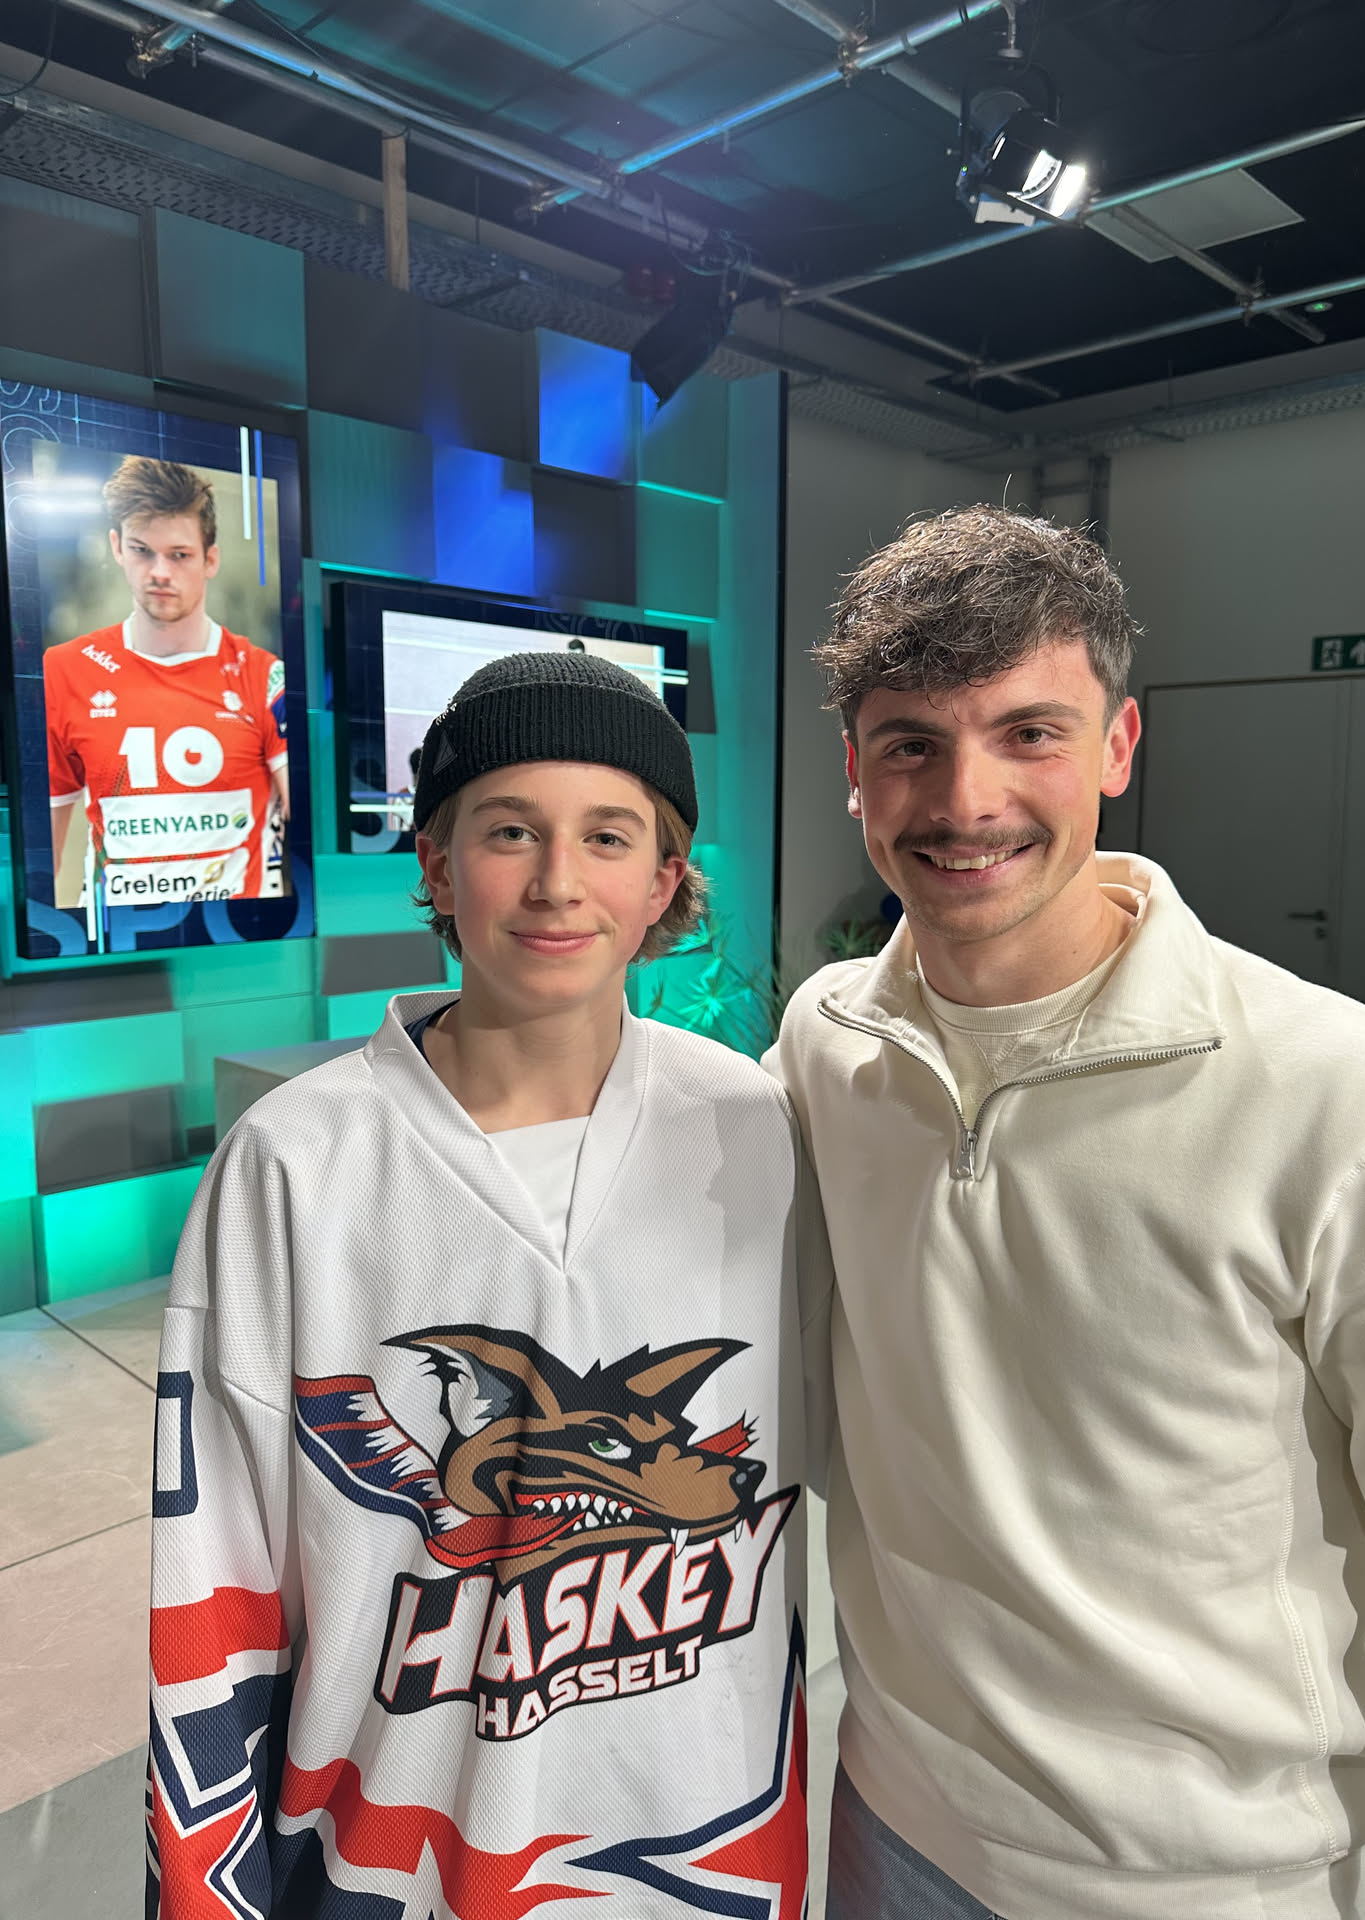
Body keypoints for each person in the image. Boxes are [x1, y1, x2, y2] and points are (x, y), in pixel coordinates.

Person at [771, 506, 1365, 1920]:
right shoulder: (830, 1040)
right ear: (855, 774)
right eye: (911, 744)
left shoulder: (1351, 1095)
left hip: (1224, 1881)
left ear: (1119, 748)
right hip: (892, 1819)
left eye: (1030, 733)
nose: (965, 801)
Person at [147, 650, 826, 1917]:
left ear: (664, 878)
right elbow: (210, 1581)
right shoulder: (296, 1162)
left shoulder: (756, 1127)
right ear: (439, 865)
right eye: (510, 831)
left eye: (608, 836)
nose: (558, 881)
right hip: (389, 1864)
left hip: (708, 1853)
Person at [44, 455, 287, 908]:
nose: (160, 572)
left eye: (179, 555)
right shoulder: (66, 669)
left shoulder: (263, 675)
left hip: (239, 936)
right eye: (142, 551)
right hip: (117, 936)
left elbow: (309, 834)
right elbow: (43, 858)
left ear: (210, 559)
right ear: (117, 548)